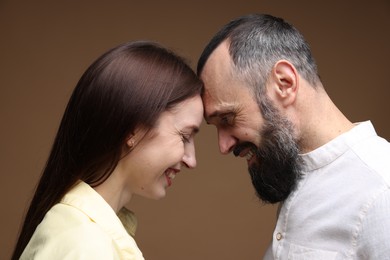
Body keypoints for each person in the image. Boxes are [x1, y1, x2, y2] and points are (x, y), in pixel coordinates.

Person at [197, 13, 390, 259]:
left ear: (284, 83)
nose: (223, 146)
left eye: (227, 118)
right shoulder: (293, 170)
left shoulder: (382, 192)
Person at [12, 40, 204, 259]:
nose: (192, 160)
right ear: (134, 130)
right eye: (185, 136)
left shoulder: (83, 232)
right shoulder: (85, 243)